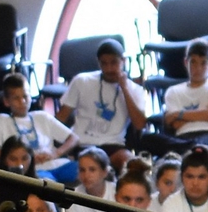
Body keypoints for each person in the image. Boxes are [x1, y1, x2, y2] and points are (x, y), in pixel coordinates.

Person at [58, 38, 145, 169]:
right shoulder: (81, 81)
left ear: (123, 61)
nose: (109, 69)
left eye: (114, 63)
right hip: (82, 143)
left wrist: (124, 89)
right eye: (104, 64)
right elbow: (62, 116)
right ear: (98, 63)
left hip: (113, 145)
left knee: (133, 164)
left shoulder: (135, 90)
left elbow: (139, 124)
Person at [0, 71, 79, 173]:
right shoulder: (2, 120)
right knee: (47, 181)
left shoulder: (42, 116)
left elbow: (74, 138)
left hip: (57, 164)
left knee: (86, 172)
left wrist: (56, 153)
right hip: (32, 171)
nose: (22, 102)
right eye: (16, 98)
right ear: (6, 101)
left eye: (25, 96)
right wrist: (25, 157)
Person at [155, 39, 208, 151]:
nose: (198, 68)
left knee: (198, 149)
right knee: (148, 139)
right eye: (193, 62)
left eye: (203, 63)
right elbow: (176, 124)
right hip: (183, 137)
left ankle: (193, 148)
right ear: (186, 62)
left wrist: (178, 114)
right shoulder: (173, 91)